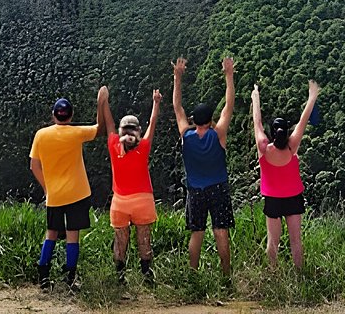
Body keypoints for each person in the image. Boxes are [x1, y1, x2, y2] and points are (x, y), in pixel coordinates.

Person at [30, 87, 107, 291]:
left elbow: (34, 165)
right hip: (77, 192)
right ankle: (70, 278)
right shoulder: (76, 133)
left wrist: (47, 188)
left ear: (53, 115)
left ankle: (44, 276)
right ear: (71, 116)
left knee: (51, 233)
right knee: (73, 235)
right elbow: (101, 129)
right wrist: (100, 103)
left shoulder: (41, 135)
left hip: (54, 194)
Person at [172, 56, 235, 273]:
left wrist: (177, 77)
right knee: (221, 231)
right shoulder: (218, 135)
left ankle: (192, 273)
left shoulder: (185, 136)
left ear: (193, 120)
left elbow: (177, 107)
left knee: (196, 232)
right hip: (218, 187)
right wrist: (229, 75)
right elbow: (229, 105)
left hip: (195, 190)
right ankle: (226, 274)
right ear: (210, 120)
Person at [251, 80, 320, 269]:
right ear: (286, 132)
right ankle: (299, 276)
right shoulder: (292, 147)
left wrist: (255, 96)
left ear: (272, 134)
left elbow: (257, 122)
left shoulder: (263, 148)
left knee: (273, 242)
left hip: (272, 199)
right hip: (293, 198)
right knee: (296, 242)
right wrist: (312, 96)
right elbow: (303, 120)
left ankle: (273, 276)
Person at [100, 88, 162, 284]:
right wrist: (156, 103)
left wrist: (105, 102)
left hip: (119, 202)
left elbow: (109, 123)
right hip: (143, 201)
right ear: (137, 131)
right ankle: (147, 277)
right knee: (144, 239)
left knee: (120, 240)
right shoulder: (143, 147)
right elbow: (153, 124)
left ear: (121, 131)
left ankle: (120, 278)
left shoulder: (113, 145)